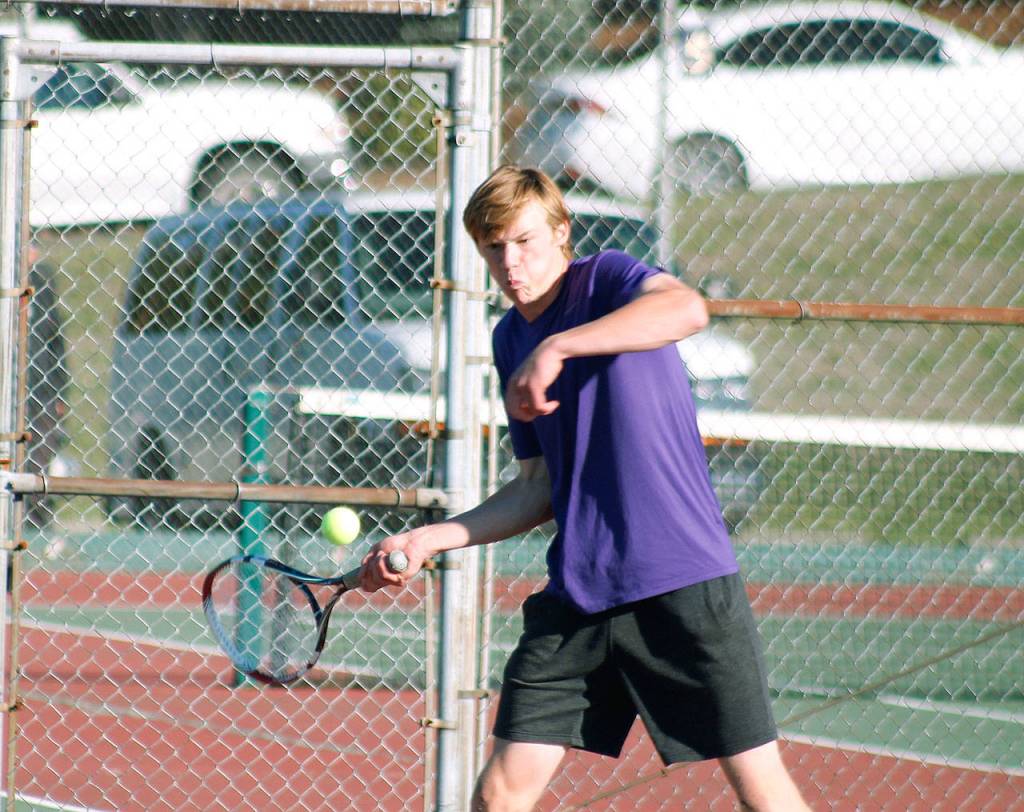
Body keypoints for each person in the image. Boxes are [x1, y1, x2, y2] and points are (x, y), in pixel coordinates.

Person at [360, 166, 811, 812]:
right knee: (499, 795)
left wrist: (560, 349)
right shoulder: (509, 336)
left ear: (561, 232)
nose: (510, 262)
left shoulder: (606, 280)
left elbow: (689, 308)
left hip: (682, 581)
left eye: (524, 241)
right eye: (494, 247)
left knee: (763, 796)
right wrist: (428, 538)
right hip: (579, 595)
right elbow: (535, 489)